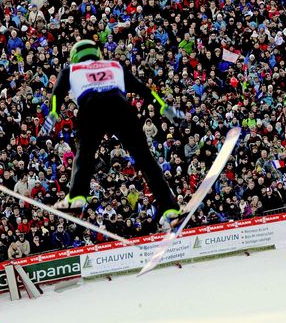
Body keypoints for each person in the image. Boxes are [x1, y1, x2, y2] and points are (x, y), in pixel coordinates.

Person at [39, 40, 185, 228]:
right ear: (97, 53)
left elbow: (57, 94)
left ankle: (77, 197)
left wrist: (52, 115)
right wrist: (164, 108)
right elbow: (144, 90)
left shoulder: (71, 70)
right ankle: (170, 208)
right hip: (120, 106)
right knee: (145, 159)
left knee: (84, 154)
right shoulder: (115, 65)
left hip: (91, 107)